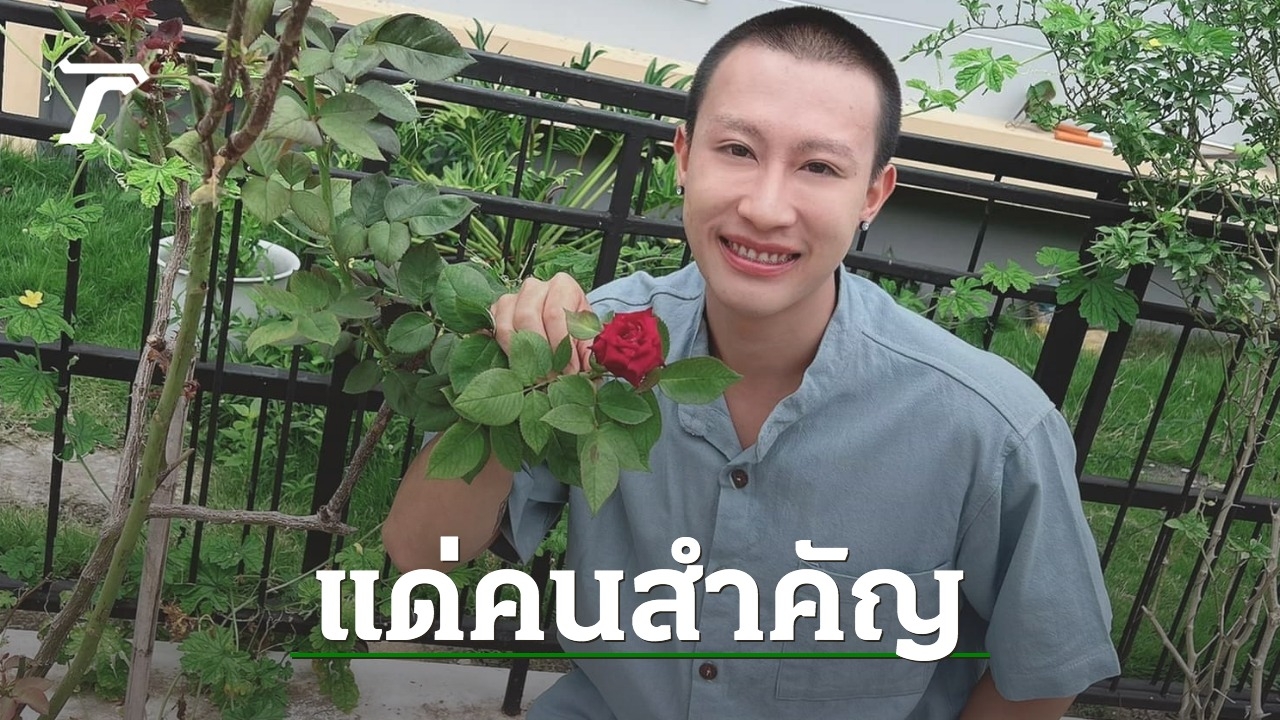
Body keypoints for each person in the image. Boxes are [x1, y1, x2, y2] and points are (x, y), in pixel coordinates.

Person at [384, 6, 1121, 719]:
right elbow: (423, 555)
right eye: (737, 150)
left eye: (819, 166)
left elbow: (1044, 674)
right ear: (683, 156)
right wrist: (518, 381)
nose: (767, 208)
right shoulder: (591, 345)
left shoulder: (989, 429)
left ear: (873, 194)